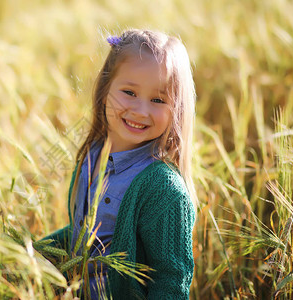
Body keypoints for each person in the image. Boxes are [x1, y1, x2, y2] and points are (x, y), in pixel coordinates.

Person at [44, 29, 197, 299]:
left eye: (158, 100)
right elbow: (84, 236)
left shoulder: (163, 189)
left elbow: (171, 280)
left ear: (177, 110)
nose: (141, 110)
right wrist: (31, 253)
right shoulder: (92, 157)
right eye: (129, 92)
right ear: (105, 91)